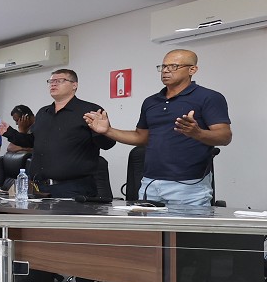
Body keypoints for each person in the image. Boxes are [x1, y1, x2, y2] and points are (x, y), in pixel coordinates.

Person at [0, 69, 115, 282]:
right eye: (51, 81)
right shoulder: (44, 112)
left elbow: (107, 144)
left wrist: (103, 130)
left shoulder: (89, 111)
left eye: (60, 80)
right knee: (42, 237)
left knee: (76, 239)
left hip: (74, 187)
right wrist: (9, 133)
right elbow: (34, 142)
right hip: (42, 189)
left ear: (74, 85)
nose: (53, 84)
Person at [84, 49, 231, 207]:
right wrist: (108, 131)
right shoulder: (151, 102)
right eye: (163, 66)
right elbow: (141, 137)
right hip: (150, 183)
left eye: (174, 66)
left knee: (184, 225)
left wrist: (197, 133)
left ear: (192, 70)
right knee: (146, 224)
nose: (166, 70)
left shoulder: (209, 97)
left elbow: (225, 137)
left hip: (189, 185)